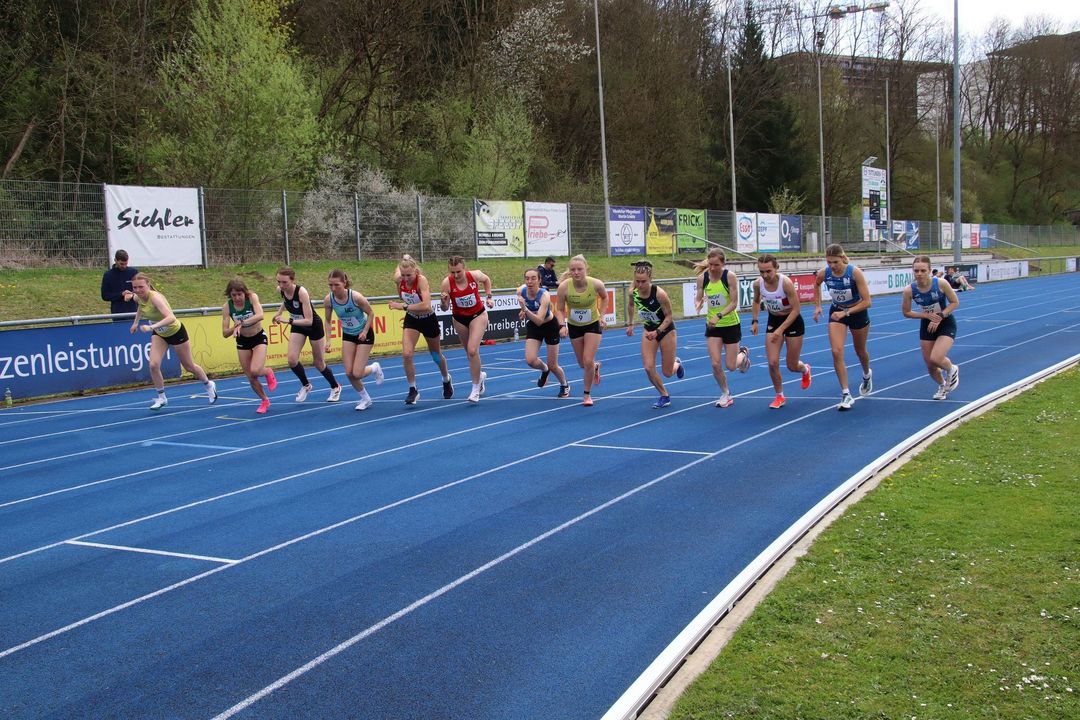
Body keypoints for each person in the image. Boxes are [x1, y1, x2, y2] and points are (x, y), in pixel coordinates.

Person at [123, 273, 216, 410]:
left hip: (175, 332)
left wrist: (151, 326)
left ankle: (208, 384)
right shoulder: (138, 297)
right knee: (153, 365)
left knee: (189, 366)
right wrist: (135, 323)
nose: (137, 290)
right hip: (160, 334)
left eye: (141, 287)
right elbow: (141, 308)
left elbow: (171, 317)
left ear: (148, 285)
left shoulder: (155, 298)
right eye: (135, 287)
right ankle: (161, 397)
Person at [813, 244, 873, 411]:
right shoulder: (824, 273)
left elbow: (868, 301)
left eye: (835, 262)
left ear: (842, 258)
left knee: (860, 351)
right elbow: (816, 285)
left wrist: (846, 312)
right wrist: (817, 306)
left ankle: (867, 374)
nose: (832, 266)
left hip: (857, 311)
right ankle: (846, 393)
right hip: (837, 311)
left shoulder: (854, 272)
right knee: (836, 351)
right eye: (829, 262)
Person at [271, 266, 341, 403]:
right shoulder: (281, 290)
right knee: (291, 359)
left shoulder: (302, 292)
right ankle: (306, 385)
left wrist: (287, 320)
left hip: (312, 326)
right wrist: (279, 312)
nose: (281, 285)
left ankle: (335, 386)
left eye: (284, 282)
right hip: (298, 326)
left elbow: (308, 320)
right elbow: (286, 301)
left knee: (318, 363)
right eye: (278, 281)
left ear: (292, 280)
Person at [390, 255, 453, 404]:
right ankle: (412, 389)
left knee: (436, 355)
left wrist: (403, 306)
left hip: (428, 319)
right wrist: (404, 258)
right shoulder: (399, 280)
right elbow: (397, 275)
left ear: (416, 272)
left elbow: (426, 305)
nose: (406, 278)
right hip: (412, 319)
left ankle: (446, 379)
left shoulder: (421, 280)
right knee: (406, 354)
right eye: (403, 275)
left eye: (409, 275)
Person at [750, 254, 811, 409]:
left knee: (791, 365)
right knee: (772, 362)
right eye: (761, 271)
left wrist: (782, 329)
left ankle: (804, 369)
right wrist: (755, 320)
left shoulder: (786, 283)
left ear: (776, 268)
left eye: (768, 271)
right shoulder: (758, 284)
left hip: (792, 321)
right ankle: (779, 396)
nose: (765, 275)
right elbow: (756, 300)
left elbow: (797, 309)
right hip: (773, 320)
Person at [694, 248, 750, 408]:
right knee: (715, 364)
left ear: (723, 264)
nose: (712, 268)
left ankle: (743, 355)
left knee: (731, 366)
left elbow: (733, 303)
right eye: (710, 264)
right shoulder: (702, 278)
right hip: (713, 326)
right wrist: (698, 303)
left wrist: (719, 315)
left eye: (716, 265)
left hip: (730, 324)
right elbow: (698, 297)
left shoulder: (729, 277)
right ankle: (726, 393)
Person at [626, 261, 683, 408]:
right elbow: (631, 305)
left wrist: (657, 331)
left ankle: (677, 364)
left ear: (650, 278)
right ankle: (664, 395)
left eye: (643, 281)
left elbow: (669, 316)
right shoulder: (633, 292)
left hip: (666, 330)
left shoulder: (659, 294)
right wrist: (631, 324)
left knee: (668, 372)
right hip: (648, 330)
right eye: (637, 281)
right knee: (648, 367)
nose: (640, 284)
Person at [902, 255, 960, 400]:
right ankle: (942, 386)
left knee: (936, 357)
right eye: (916, 271)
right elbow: (906, 312)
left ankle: (951, 368)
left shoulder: (941, 283)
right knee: (930, 364)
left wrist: (940, 315)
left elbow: (954, 302)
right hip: (927, 324)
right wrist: (927, 316)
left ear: (929, 270)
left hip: (945, 322)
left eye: (923, 270)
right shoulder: (909, 290)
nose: (919, 274)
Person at [324, 269, 383, 411]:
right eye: (330, 285)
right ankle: (365, 399)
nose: (333, 288)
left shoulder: (356, 297)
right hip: (348, 335)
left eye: (336, 285)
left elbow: (370, 313)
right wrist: (328, 340)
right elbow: (327, 320)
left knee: (357, 373)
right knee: (349, 372)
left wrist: (364, 331)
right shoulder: (329, 299)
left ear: (344, 283)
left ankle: (375, 367)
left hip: (364, 334)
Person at [440, 255, 493, 403]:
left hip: (478, 315)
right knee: (470, 354)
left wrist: (489, 296)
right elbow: (445, 308)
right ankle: (480, 376)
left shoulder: (474, 275)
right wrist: (443, 302)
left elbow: (486, 280)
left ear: (464, 268)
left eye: (458, 272)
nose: (456, 275)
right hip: (459, 319)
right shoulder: (447, 283)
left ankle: (475, 389)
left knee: (472, 350)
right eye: (452, 272)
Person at [556, 254, 607, 406]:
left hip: (592, 323)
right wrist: (562, 325)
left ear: (586, 269)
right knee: (582, 364)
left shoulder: (596, 284)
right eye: (573, 270)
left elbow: (605, 298)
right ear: (570, 271)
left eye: (580, 269)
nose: (576, 272)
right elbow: (559, 309)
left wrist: (602, 316)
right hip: (574, 325)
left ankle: (586, 395)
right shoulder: (564, 287)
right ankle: (595, 367)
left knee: (587, 360)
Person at [222, 278, 277, 414]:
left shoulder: (252, 298)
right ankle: (264, 400)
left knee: (256, 370)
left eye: (239, 294)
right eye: (234, 295)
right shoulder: (227, 307)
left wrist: (242, 322)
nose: (237, 298)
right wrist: (234, 327)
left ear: (244, 293)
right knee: (250, 376)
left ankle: (268, 372)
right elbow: (225, 333)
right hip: (242, 340)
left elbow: (260, 315)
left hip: (258, 337)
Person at [518, 268, 569, 397]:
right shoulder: (521, 291)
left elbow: (540, 320)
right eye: (527, 278)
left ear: (540, 280)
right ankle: (544, 369)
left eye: (533, 278)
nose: (530, 281)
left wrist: (525, 310)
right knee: (530, 360)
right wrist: (523, 311)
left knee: (553, 365)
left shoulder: (544, 295)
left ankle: (564, 385)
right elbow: (523, 303)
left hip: (549, 326)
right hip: (534, 327)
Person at [101, 249, 139, 317]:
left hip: (134, 312)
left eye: (126, 263)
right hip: (117, 313)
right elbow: (105, 296)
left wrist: (132, 295)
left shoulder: (133, 272)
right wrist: (121, 294)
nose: (124, 266)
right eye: (121, 264)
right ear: (115, 260)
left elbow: (142, 291)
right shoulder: (108, 275)